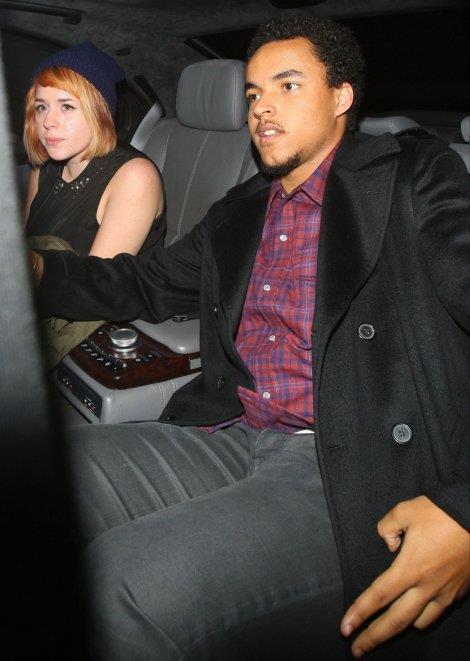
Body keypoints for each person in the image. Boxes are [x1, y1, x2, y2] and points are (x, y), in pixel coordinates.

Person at [31, 15, 469, 661]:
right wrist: (38, 270)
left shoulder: (413, 176)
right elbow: (146, 282)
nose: (262, 107)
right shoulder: (240, 210)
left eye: (287, 86)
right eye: (254, 93)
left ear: (342, 96)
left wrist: (463, 507)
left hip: (352, 466)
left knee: (116, 585)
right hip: (232, 427)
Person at [23, 42, 165, 364]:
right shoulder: (43, 166)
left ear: (99, 109)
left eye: (67, 106)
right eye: (41, 107)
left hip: (91, 327)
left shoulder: (135, 176)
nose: (48, 122)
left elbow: (91, 291)